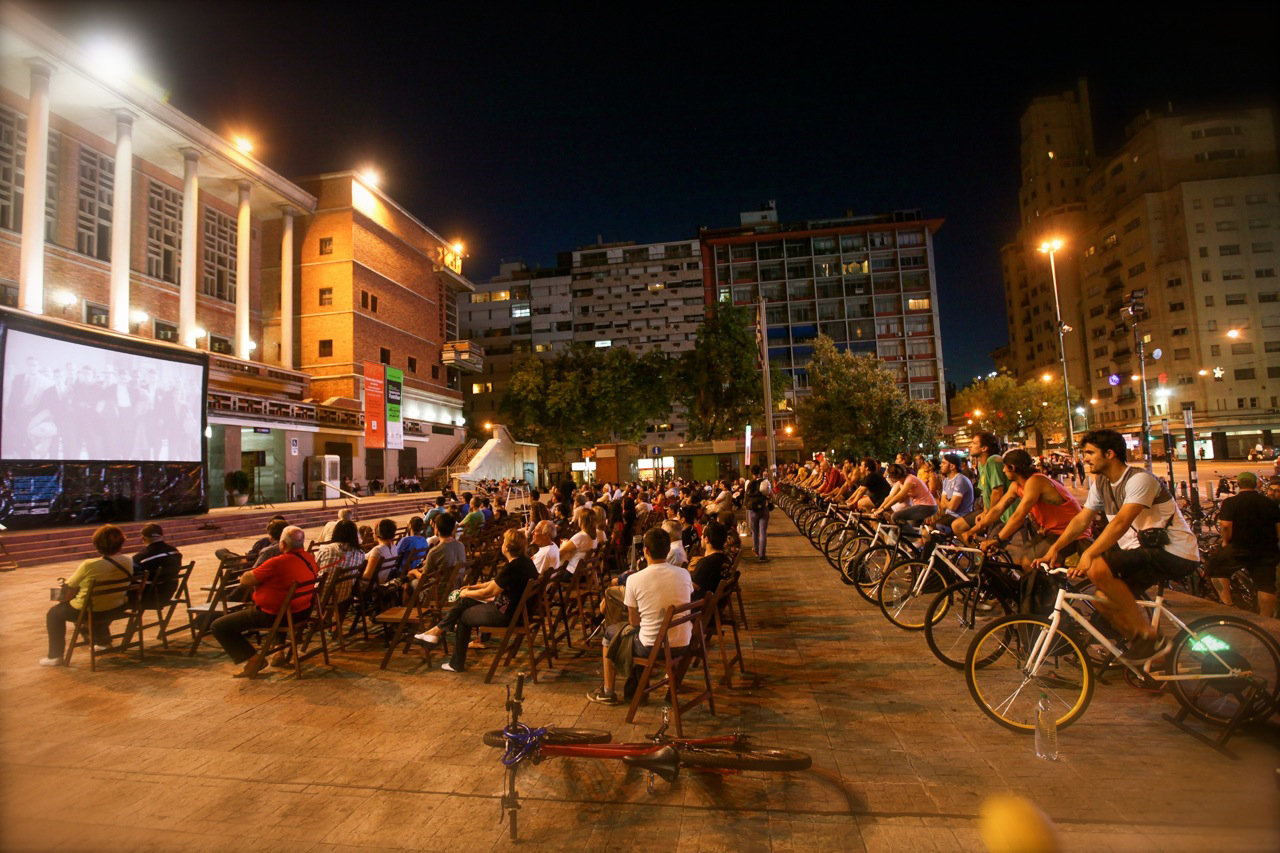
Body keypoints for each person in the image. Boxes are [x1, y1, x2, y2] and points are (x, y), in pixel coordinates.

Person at [1038, 430, 1199, 663]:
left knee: (1097, 567)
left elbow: (1121, 523)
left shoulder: (1140, 480)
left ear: (1110, 453)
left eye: (1090, 453)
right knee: (1102, 599)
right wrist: (1055, 549)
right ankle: (1156, 656)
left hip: (1174, 552)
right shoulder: (1102, 483)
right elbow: (1082, 519)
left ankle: (1148, 637)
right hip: (1143, 552)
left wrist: (1090, 554)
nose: (1086, 458)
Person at [588, 527, 693, 705]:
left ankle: (608, 691)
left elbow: (634, 621)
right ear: (668, 550)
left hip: (653, 647)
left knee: (612, 635)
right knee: (634, 632)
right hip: (684, 642)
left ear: (645, 551)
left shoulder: (635, 579)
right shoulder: (684, 573)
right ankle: (635, 689)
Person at [415, 528, 539, 672]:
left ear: (507, 547)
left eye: (504, 541)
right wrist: (473, 587)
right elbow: (495, 583)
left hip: (506, 614)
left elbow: (489, 592)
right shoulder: (524, 562)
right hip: (517, 610)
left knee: (463, 616)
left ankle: (455, 661)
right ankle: (436, 632)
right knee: (465, 603)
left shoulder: (512, 567)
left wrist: (466, 593)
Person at [211, 526, 317, 678]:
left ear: (283, 545)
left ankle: (254, 660)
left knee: (219, 626)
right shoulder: (308, 558)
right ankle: (276, 648)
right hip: (302, 611)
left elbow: (247, 579)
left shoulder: (278, 562)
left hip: (275, 615)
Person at [977, 449, 1089, 567]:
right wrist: (974, 529)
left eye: (1005, 467)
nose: (1003, 470)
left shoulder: (1035, 481)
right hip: (1051, 531)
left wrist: (997, 539)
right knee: (1021, 557)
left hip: (1069, 531)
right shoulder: (1017, 485)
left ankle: (1050, 585)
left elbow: (1018, 516)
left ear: (1012, 467)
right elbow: (998, 508)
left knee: (1028, 562)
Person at [41, 525, 134, 666]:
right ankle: (103, 642)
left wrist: (61, 595)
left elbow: (68, 591)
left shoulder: (89, 565)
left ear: (96, 545)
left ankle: (55, 656)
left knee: (54, 613)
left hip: (92, 611)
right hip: (116, 607)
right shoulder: (128, 560)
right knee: (97, 600)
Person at [1205, 472, 1279, 617]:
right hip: (1267, 549)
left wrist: (1226, 542)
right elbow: (1278, 527)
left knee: (1214, 567)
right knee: (1266, 584)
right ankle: (1266, 618)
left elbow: (1226, 526)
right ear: (1256, 484)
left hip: (1240, 546)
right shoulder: (1270, 503)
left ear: (1238, 484)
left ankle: (1228, 605)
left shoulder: (1231, 503)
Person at [953, 433, 1011, 540]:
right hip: (990, 510)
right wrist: (985, 511)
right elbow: (985, 493)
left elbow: (997, 492)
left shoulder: (993, 460)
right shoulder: (980, 465)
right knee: (957, 526)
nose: (970, 446)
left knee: (988, 546)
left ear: (984, 448)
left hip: (1002, 513)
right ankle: (979, 554)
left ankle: (985, 554)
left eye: (974, 443)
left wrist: (988, 514)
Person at [131, 523, 183, 609]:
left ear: (143, 539)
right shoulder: (175, 552)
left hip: (149, 598)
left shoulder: (141, 557)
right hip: (168, 593)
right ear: (162, 535)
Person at [690, 520, 733, 596]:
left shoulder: (706, 562)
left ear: (707, 539)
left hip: (702, 603)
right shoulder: (726, 559)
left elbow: (692, 585)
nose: (701, 537)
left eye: (703, 535)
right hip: (717, 601)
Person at [559, 506, 604, 574]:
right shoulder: (594, 536)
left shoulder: (581, 536)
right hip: (585, 571)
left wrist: (564, 544)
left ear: (582, 520)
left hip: (573, 572)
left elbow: (561, 552)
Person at [744, 464, 774, 562]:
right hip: (763, 509)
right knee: (762, 532)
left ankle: (756, 550)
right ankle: (762, 555)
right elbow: (771, 495)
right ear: (760, 472)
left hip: (752, 510)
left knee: (755, 531)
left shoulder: (748, 483)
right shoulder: (764, 482)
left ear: (751, 472)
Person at [362, 518, 399, 582]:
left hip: (373, 585)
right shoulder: (394, 547)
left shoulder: (378, 550)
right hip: (384, 581)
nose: (373, 532)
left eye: (374, 530)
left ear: (378, 533)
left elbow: (367, 576)